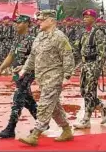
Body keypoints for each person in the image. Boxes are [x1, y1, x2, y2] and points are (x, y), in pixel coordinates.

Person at [18, 10, 75, 146]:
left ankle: (35, 135)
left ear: (51, 21)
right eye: (39, 20)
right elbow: (33, 56)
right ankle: (67, 130)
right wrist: (25, 69)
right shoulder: (39, 37)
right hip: (42, 78)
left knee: (44, 105)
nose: (39, 22)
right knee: (54, 107)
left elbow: (68, 56)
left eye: (42, 20)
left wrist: (67, 75)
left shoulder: (59, 37)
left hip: (54, 77)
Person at [0, 15, 38, 138]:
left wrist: (25, 67)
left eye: (19, 23)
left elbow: (37, 58)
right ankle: (42, 123)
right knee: (28, 100)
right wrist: (1, 68)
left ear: (27, 24)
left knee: (18, 98)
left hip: (28, 73)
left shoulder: (33, 40)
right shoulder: (17, 39)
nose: (16, 25)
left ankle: (10, 128)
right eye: (16, 23)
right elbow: (11, 55)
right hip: (17, 74)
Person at [73, 9, 106, 129]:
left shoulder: (98, 32)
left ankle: (86, 119)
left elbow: (102, 52)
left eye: (87, 17)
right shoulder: (84, 32)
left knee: (90, 92)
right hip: (85, 64)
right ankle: (102, 106)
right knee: (84, 92)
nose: (85, 19)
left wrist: (98, 68)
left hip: (93, 64)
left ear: (94, 19)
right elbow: (77, 48)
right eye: (84, 17)